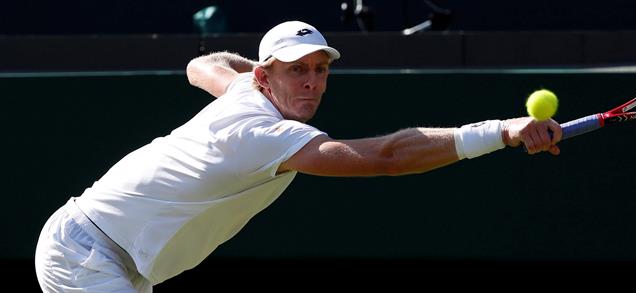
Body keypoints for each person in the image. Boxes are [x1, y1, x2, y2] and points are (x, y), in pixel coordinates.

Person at [34, 20, 562, 292]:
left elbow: (203, 65)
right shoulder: (260, 135)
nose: (311, 82)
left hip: (114, 257)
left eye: (319, 69)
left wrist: (257, 76)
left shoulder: (247, 91)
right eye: (295, 70)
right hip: (87, 254)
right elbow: (387, 156)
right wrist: (501, 131)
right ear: (267, 76)